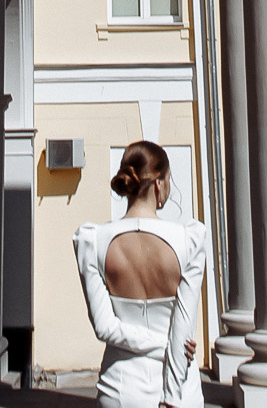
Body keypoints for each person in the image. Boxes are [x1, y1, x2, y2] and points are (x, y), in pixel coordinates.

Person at [72, 142, 206, 408]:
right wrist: (169, 352)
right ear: (159, 184)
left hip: (120, 387)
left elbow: (104, 327)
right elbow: (183, 325)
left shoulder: (93, 240)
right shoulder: (188, 240)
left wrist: (162, 344)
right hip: (180, 387)